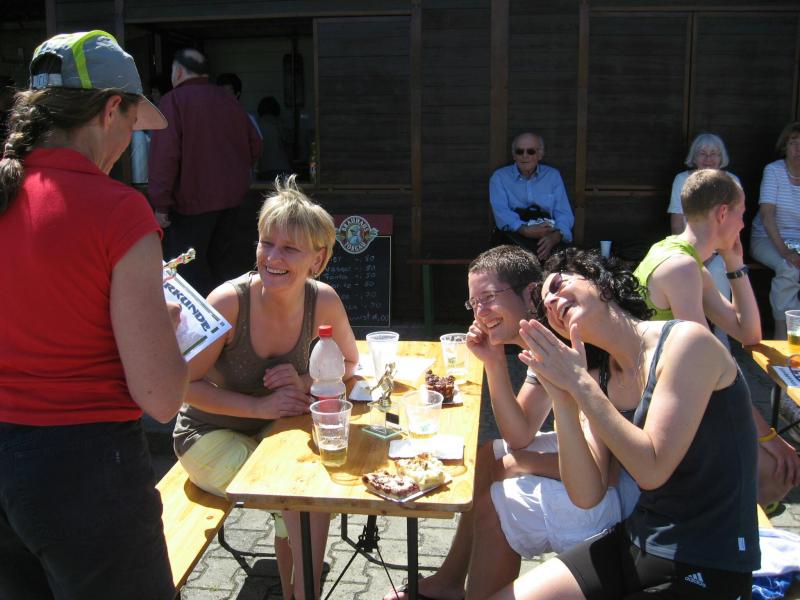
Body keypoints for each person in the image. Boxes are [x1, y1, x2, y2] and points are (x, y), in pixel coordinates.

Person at [0, 30, 187, 599]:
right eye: (132, 123)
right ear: (110, 110)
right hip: (86, 472)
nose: (131, 139)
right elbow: (161, 397)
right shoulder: (118, 210)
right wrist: (163, 330)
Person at [493, 248, 760, 599]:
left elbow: (652, 469)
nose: (553, 301)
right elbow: (587, 494)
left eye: (558, 284)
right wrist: (563, 401)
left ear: (601, 281)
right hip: (638, 541)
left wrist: (579, 383)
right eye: (546, 304)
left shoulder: (686, 343)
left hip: (710, 560)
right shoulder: (601, 377)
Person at [384, 245, 629, 600]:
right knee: (489, 454)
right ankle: (449, 581)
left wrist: (518, 463)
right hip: (597, 473)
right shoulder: (542, 341)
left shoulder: (572, 343)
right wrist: (494, 362)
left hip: (618, 500)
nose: (480, 313)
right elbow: (520, 433)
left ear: (530, 294)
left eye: (488, 298)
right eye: (473, 303)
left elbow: (603, 472)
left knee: (496, 503)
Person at [172, 175, 358, 600]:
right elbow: (182, 387)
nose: (273, 257)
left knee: (304, 489)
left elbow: (351, 363)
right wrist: (259, 407)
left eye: (290, 249)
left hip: (273, 434)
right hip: (207, 435)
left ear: (318, 259)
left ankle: (300, 591)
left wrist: (305, 381)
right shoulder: (228, 302)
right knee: (294, 492)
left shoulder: (323, 299)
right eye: (266, 243)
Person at [636, 169, 799, 506]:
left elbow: (748, 333)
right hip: (654, 406)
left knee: (776, 468)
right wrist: (767, 436)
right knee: (778, 472)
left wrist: (734, 262)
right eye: (742, 213)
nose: (743, 224)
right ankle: (730, 526)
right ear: (723, 213)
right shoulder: (681, 267)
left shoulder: (682, 258)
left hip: (672, 394)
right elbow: (707, 368)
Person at [148, 49, 262, 296]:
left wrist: (161, 205)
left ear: (178, 72)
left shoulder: (173, 101)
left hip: (190, 206)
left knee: (187, 274)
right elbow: (255, 143)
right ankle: (228, 316)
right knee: (225, 269)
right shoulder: (228, 100)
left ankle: (201, 321)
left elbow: (165, 156)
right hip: (232, 203)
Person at [667, 133, 740, 345]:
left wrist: (712, 252)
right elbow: (676, 223)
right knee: (684, 270)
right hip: (687, 246)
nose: (708, 159)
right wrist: (691, 253)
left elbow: (732, 225)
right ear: (694, 157)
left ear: (721, 157)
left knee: (718, 270)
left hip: (719, 249)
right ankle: (688, 339)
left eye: (714, 154)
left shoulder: (731, 182)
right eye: (703, 153)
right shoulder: (682, 180)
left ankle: (722, 337)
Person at [750, 122, 800, 340]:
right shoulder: (774, 171)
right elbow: (767, 215)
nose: (798, 149)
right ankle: (785, 336)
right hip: (767, 238)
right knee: (789, 268)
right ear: (785, 147)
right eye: (793, 143)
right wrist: (786, 252)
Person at [489, 132, 574, 261]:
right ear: (514, 155)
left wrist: (555, 237)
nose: (525, 155)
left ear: (540, 154)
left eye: (531, 151)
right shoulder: (499, 177)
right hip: (513, 240)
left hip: (547, 236)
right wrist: (524, 230)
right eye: (519, 151)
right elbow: (501, 212)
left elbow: (564, 213)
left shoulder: (552, 176)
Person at [216, 71, 262, 140]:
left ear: (237, 94)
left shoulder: (248, 119)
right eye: (220, 92)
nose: (223, 97)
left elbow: (257, 144)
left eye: (227, 93)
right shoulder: (211, 118)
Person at [256, 95, 292, 181]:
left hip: (264, 168)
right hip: (283, 168)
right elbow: (289, 146)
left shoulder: (256, 125)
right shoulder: (280, 124)